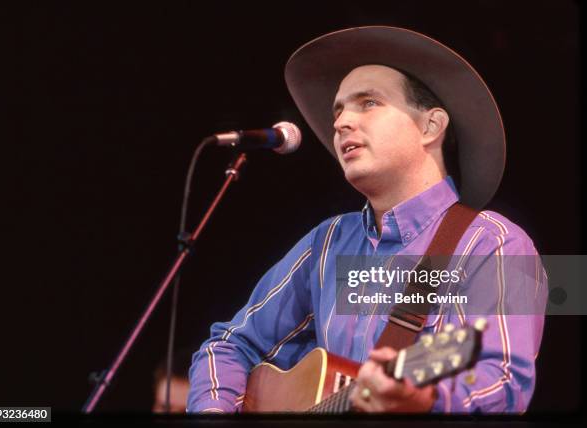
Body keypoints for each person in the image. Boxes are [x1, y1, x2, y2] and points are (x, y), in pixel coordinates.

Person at [186, 26, 548, 413]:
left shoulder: (491, 245)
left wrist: (425, 399)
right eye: (338, 110)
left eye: (369, 102)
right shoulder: (325, 245)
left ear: (431, 126)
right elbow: (230, 345)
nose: (341, 122)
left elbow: (502, 381)